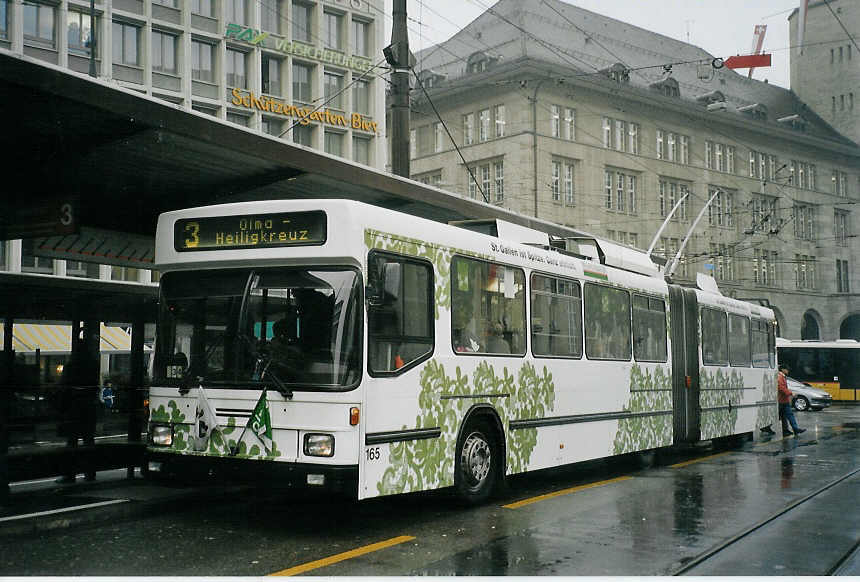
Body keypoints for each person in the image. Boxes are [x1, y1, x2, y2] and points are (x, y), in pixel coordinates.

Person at [778, 365, 806, 437]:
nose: (788, 371)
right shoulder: (779, 377)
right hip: (780, 400)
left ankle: (794, 429)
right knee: (780, 416)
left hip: (784, 400)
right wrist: (791, 393)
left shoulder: (782, 376)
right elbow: (781, 388)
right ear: (782, 369)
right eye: (787, 369)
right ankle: (766, 427)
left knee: (789, 415)